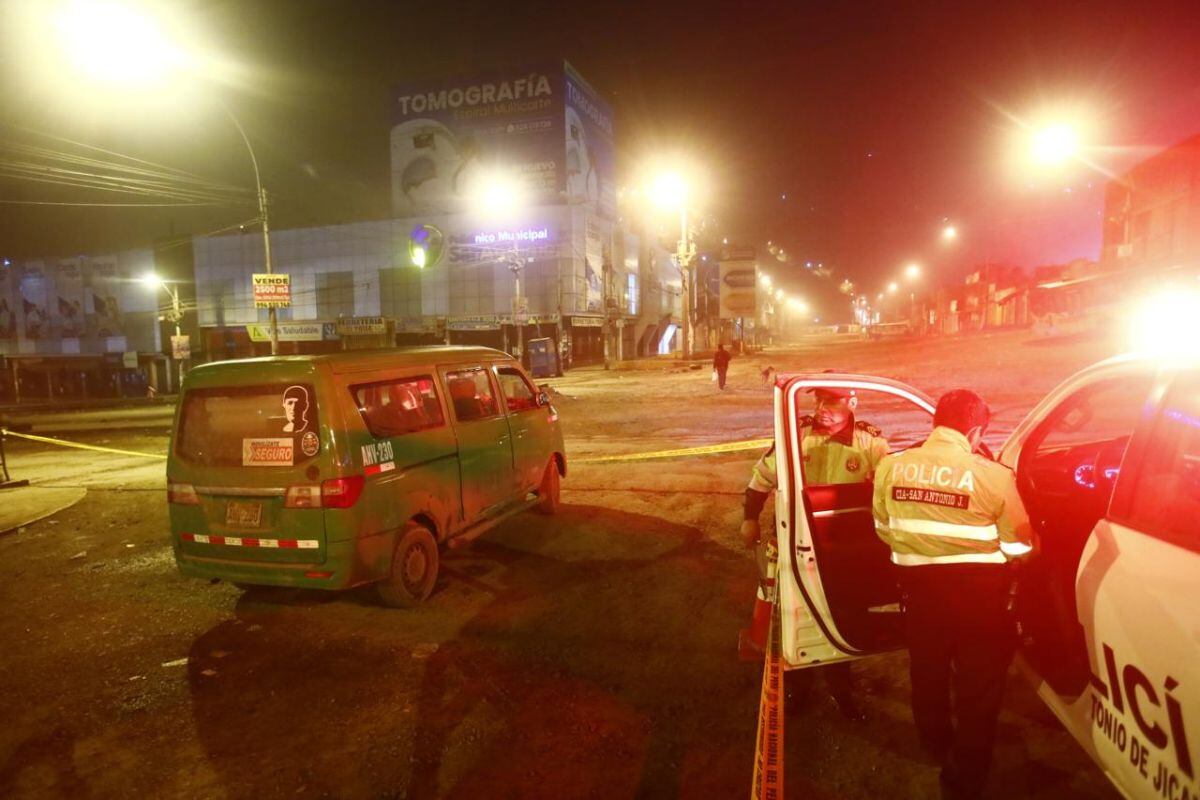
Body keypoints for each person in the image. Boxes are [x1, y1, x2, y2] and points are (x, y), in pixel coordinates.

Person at [872, 389, 1035, 799]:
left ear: (936, 423)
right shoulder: (993, 476)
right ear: (976, 431)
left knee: (927, 669)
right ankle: (966, 776)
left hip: (920, 594)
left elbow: (884, 529)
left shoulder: (891, 466)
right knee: (979, 686)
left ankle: (934, 741)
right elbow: (1020, 546)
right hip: (979, 599)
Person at [740, 383, 890, 721]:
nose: (822, 407)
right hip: (798, 547)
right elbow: (762, 478)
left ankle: (842, 689)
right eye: (819, 400)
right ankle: (799, 688)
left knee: (844, 618)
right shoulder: (798, 436)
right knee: (796, 618)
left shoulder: (872, 444)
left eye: (831, 401)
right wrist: (750, 518)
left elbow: (887, 491)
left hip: (844, 553)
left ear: (852, 402)